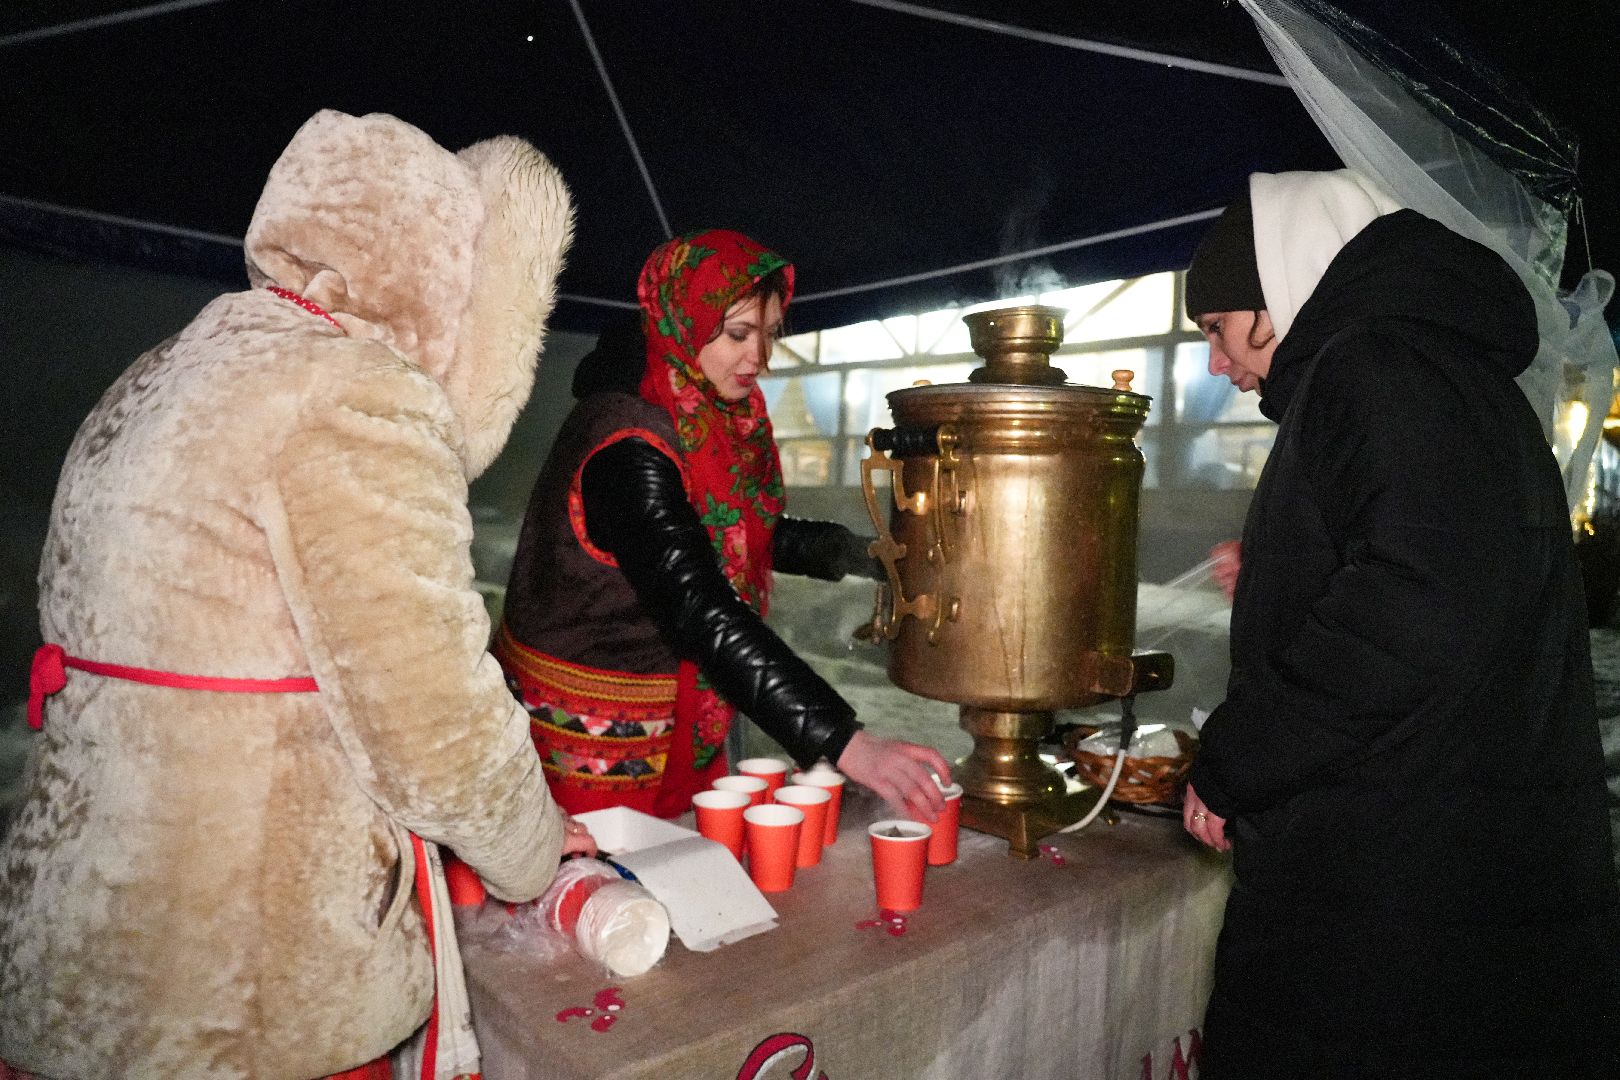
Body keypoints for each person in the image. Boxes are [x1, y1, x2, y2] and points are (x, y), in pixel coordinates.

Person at [0, 110, 594, 1080]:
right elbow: (433, 724)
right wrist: (537, 849)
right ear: (435, 274)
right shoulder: (354, 395)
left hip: (84, 936)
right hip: (244, 983)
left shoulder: (161, 374)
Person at [1180, 170, 1620, 1077]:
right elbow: (1447, 570)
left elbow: (1418, 609)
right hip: (1450, 871)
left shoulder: (1376, 364)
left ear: (1279, 290)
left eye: (1219, 330)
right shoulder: (1437, 366)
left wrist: (1233, 764)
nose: (1217, 365)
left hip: (1391, 908)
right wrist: (1287, 576)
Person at [495, 228, 950, 823]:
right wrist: (844, 741)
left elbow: (733, 528)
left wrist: (868, 556)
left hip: (664, 709)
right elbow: (698, 604)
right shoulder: (629, 446)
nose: (757, 358)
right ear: (685, 322)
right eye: (737, 334)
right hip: (586, 738)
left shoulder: (695, 410)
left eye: (768, 335)